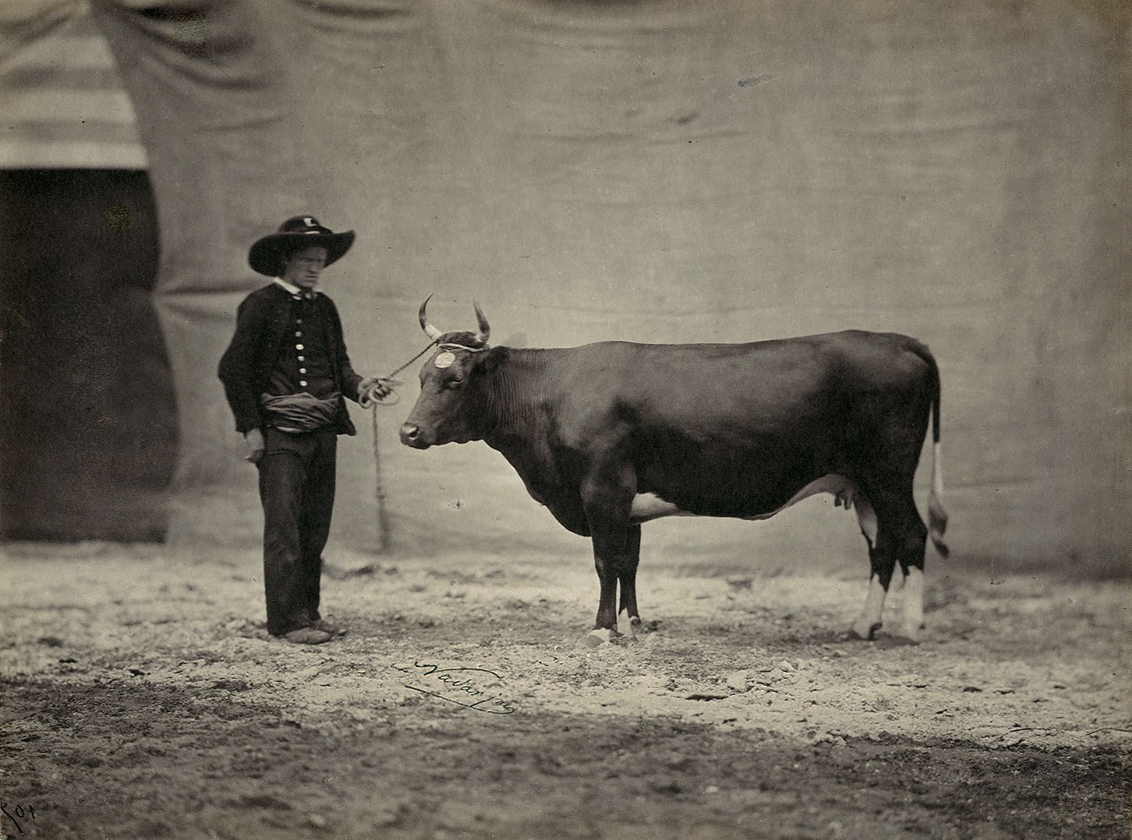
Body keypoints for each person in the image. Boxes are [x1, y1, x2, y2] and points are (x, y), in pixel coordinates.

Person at [218, 215, 391, 644]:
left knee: (314, 529)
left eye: (320, 260)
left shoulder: (325, 307)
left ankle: (309, 615)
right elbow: (233, 369)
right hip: (279, 434)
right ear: (284, 261)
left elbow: (340, 369)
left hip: (322, 431)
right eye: (306, 260)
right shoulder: (260, 304)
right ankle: (286, 623)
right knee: (284, 530)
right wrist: (250, 429)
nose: (316, 268)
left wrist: (363, 387)